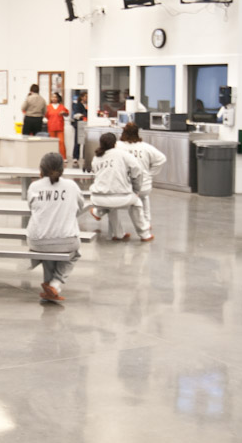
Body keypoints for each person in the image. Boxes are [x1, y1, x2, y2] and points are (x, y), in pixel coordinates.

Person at [27, 153, 84, 302]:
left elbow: (31, 208)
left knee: (47, 245)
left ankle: (49, 286)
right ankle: (56, 283)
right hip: (66, 240)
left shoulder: (34, 186)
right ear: (62, 168)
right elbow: (80, 206)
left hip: (36, 241)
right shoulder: (71, 186)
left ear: (41, 169)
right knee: (74, 252)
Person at [89, 132, 152, 241]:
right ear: (115, 143)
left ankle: (117, 233)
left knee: (111, 208)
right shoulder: (122, 154)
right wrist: (136, 189)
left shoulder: (96, 158)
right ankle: (144, 234)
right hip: (120, 196)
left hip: (97, 197)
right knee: (136, 203)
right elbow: (137, 171)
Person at [116, 122, 166, 240]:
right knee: (144, 198)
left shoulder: (117, 146)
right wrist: (150, 172)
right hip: (144, 185)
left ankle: (116, 231)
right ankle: (147, 223)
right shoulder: (145, 147)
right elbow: (162, 158)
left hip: (125, 185)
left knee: (120, 205)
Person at [45, 92, 70, 160]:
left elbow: (67, 114)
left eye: (55, 97)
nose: (54, 98)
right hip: (51, 126)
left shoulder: (61, 106)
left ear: (58, 98)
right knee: (52, 142)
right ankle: (51, 158)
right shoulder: (48, 107)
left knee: (61, 142)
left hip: (59, 127)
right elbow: (46, 115)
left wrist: (64, 113)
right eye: (53, 97)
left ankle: (63, 157)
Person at [71, 92, 88, 167]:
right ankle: (75, 157)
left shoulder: (89, 105)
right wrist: (83, 115)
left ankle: (85, 156)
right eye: (85, 96)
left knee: (86, 142)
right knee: (77, 141)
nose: (86, 98)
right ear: (81, 97)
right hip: (79, 124)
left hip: (86, 124)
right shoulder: (78, 105)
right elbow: (76, 115)